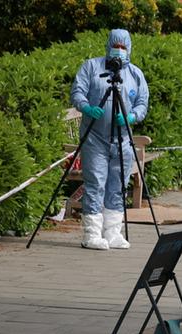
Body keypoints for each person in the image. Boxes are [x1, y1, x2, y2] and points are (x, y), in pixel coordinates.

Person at [70, 29, 149, 251]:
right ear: (108, 45)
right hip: (95, 137)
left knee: (118, 184)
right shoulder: (91, 67)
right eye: (116, 46)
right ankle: (91, 233)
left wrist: (131, 116)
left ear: (129, 49)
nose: (119, 50)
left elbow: (142, 102)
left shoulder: (135, 75)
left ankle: (113, 232)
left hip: (123, 139)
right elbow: (78, 92)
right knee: (95, 183)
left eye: (123, 47)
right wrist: (86, 107)